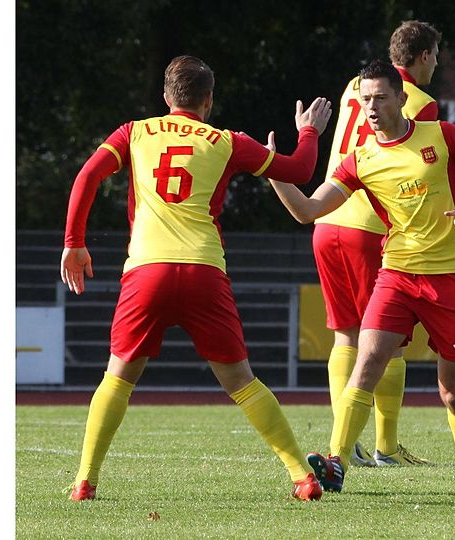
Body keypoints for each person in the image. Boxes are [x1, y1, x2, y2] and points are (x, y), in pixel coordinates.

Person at [60, 55, 333, 502]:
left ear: (166, 97)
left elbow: (88, 175)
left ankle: (85, 481)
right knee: (242, 381)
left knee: (118, 377)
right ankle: (301, 475)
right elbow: (301, 171)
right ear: (208, 101)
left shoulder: (135, 132)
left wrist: (74, 241)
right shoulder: (227, 141)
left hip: (147, 270)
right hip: (204, 270)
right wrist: (308, 131)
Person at [266, 60, 455, 495]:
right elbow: (307, 210)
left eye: (381, 97)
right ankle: (336, 461)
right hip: (396, 274)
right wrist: (271, 167)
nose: (373, 107)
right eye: (365, 100)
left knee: (454, 393)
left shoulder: (442, 135)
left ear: (402, 98)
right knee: (367, 363)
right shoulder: (360, 161)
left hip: (452, 277)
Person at [310, 20, 443, 468]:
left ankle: (342, 444)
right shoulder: (420, 103)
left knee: (345, 335)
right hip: (369, 225)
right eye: (436, 55)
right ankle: (386, 447)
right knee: (391, 342)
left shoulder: (355, 85)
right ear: (424, 57)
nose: (437, 64)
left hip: (327, 218)